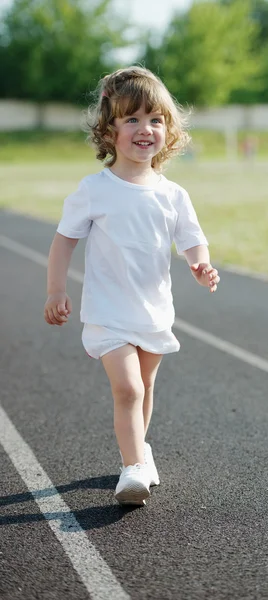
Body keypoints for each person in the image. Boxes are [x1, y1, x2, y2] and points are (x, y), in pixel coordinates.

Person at [44, 66, 220, 506]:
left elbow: (192, 240)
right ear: (110, 129)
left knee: (145, 388)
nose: (146, 129)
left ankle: (140, 451)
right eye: (133, 119)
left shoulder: (173, 194)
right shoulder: (95, 190)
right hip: (107, 312)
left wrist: (201, 267)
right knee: (128, 389)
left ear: (169, 130)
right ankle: (134, 468)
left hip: (154, 310)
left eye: (156, 120)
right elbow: (63, 241)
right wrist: (55, 290)